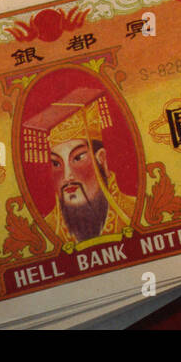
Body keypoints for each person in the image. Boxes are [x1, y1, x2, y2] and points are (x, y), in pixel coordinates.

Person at [23, 86, 136, 249]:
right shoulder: (46, 229)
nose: (67, 176)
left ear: (101, 160)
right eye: (56, 163)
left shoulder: (132, 212)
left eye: (77, 158)